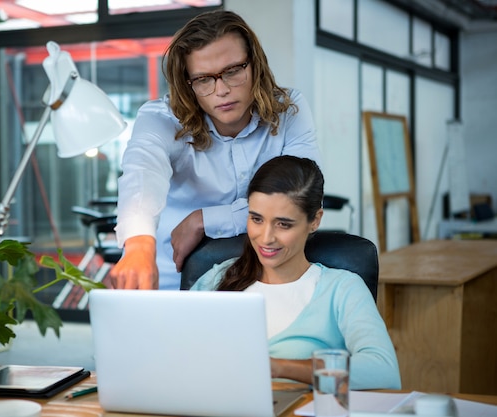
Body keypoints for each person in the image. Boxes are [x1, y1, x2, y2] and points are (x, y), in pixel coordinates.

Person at [111, 10, 321, 290]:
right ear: (188, 83)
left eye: (232, 71)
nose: (221, 90)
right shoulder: (161, 118)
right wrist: (138, 243)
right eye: (203, 79)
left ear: (254, 65)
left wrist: (204, 220)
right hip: (171, 279)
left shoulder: (288, 109)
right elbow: (142, 173)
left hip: (266, 279)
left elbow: (301, 196)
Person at [190, 155, 401, 390]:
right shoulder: (217, 278)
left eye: (284, 224)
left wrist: (279, 367)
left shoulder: (342, 289)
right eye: (256, 219)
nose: (266, 237)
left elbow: (383, 371)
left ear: (315, 221)